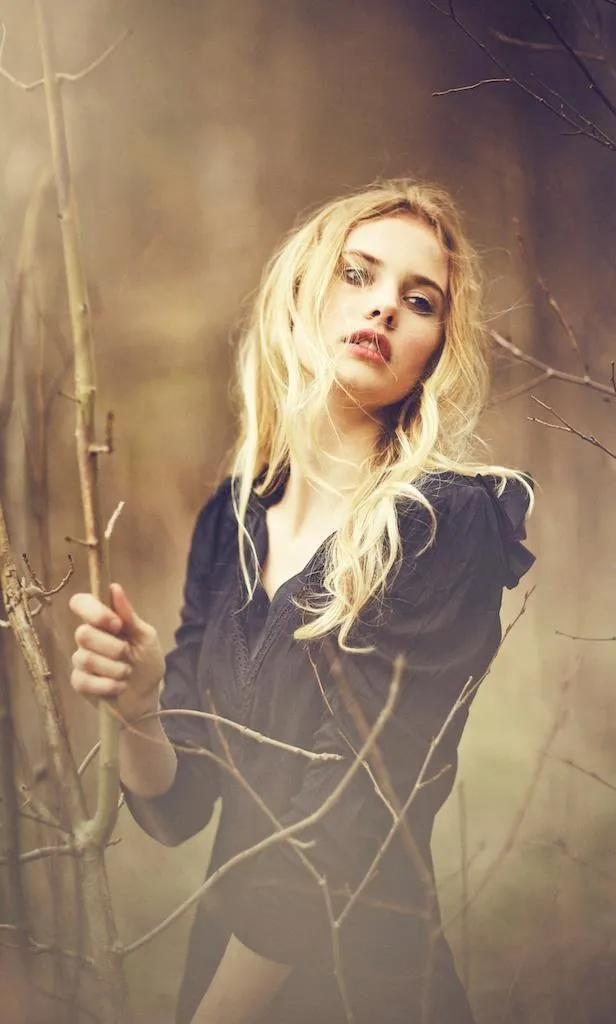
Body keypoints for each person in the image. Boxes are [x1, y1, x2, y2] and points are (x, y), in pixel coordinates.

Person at [69, 179, 535, 1024]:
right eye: (357, 274)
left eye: (417, 299)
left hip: (366, 988)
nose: (385, 308)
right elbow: (179, 808)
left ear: (435, 348)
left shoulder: (443, 524)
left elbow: (348, 827)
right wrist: (138, 708)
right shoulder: (234, 516)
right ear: (302, 292)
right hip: (223, 968)